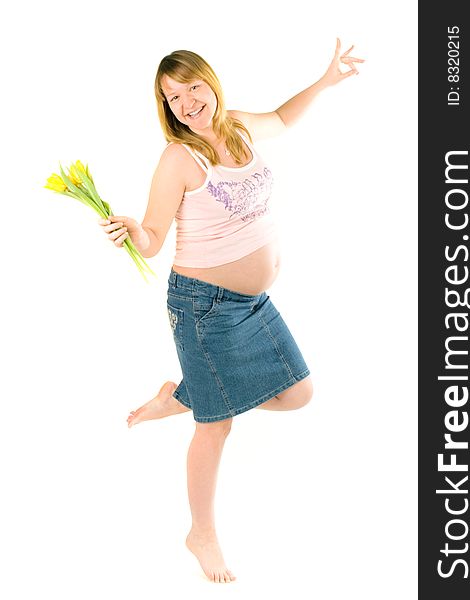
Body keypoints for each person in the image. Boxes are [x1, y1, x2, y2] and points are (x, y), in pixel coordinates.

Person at [99, 40, 364, 583]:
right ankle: (201, 532)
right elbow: (152, 238)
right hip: (204, 308)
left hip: (253, 302)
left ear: (210, 83)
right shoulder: (180, 158)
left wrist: (325, 80)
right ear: (166, 107)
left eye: (193, 86)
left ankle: (185, 393)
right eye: (173, 97)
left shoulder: (238, 126)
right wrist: (130, 231)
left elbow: (285, 118)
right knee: (215, 428)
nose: (188, 101)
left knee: (299, 392)